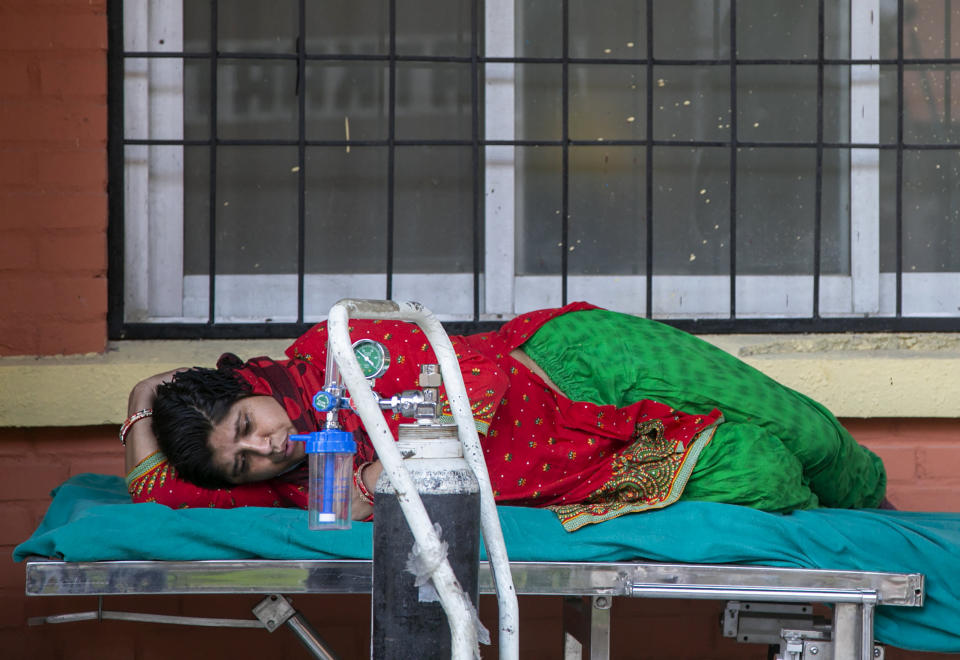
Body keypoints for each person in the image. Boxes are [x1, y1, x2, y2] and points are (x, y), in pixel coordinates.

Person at [123, 302, 887, 531]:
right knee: (766, 468)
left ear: (247, 383)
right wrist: (137, 405)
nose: (267, 447)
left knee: (809, 434)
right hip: (592, 462)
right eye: (242, 460)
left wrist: (394, 463)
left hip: (579, 365)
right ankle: (860, 549)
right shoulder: (295, 487)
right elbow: (155, 489)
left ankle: (888, 522)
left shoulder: (336, 344)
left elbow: (464, 375)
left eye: (249, 424)